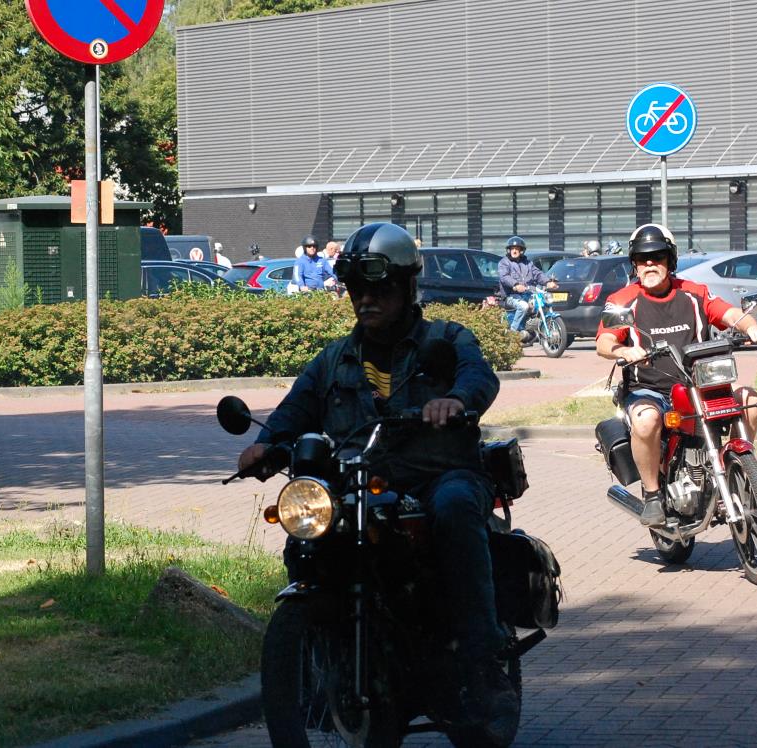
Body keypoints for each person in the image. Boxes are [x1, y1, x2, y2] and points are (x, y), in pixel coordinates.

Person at [238, 222, 519, 741]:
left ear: (408, 287)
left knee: (456, 509)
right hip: (360, 483)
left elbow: (479, 376)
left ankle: (481, 663)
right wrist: (266, 444)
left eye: (380, 289)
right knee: (310, 536)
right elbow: (294, 409)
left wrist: (456, 400)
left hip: (439, 475)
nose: (366, 299)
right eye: (357, 289)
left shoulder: (446, 339)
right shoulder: (334, 359)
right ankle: (323, 655)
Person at [596, 224, 757, 527]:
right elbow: (604, 341)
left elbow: (728, 313)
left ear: (671, 260)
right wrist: (624, 350)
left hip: (699, 385)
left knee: (751, 401)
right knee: (646, 420)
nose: (650, 264)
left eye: (658, 257)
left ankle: (738, 470)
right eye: (642, 259)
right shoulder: (623, 300)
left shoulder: (693, 292)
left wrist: (751, 326)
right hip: (648, 389)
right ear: (634, 264)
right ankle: (652, 494)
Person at [497, 236, 558, 342]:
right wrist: (515, 285)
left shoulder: (528, 263)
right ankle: (513, 333)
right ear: (509, 250)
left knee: (541, 303)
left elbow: (537, 274)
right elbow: (504, 277)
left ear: (521, 250)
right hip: (510, 296)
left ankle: (534, 328)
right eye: (512, 248)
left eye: (517, 249)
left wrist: (548, 282)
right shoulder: (504, 262)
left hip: (527, 294)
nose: (514, 251)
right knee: (524, 306)